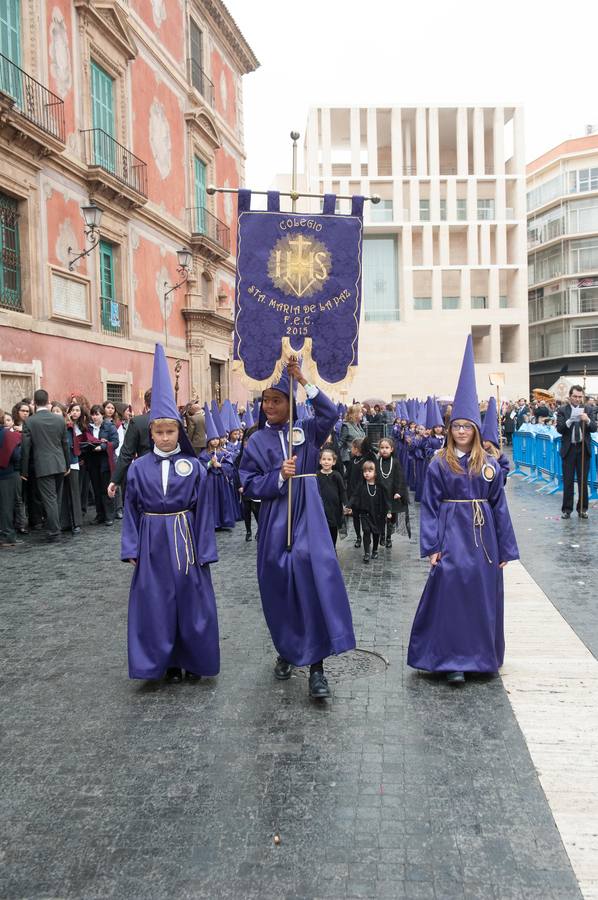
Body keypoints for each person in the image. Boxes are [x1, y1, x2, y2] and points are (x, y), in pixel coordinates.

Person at [239, 359, 356, 699]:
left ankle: (317, 667)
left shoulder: (307, 429)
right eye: (265, 401)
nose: (269, 406)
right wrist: (278, 476)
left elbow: (330, 414)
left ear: (291, 402)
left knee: (311, 578)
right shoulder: (257, 440)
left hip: (309, 517)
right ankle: (288, 648)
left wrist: (303, 380)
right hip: (276, 520)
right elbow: (247, 482)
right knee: (279, 584)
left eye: (276, 400)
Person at [407, 336, 519, 685]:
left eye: (467, 427)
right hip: (452, 535)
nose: (461, 432)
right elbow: (429, 505)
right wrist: (432, 545)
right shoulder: (439, 464)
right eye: (456, 426)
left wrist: (505, 549)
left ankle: (480, 659)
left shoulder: (489, 466)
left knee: (480, 596)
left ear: (475, 430)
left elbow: (499, 506)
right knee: (451, 592)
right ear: (450, 429)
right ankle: (450, 659)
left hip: (483, 540)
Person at [121, 344, 219, 682]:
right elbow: (131, 509)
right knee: (156, 604)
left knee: (190, 603)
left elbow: (204, 510)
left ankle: (192, 660)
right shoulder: (138, 469)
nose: (164, 438)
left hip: (185, 540)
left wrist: (205, 549)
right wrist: (131, 547)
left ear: (180, 431)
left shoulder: (194, 468)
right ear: (151, 433)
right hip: (151, 541)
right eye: (159, 432)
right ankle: (164, 662)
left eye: (170, 431)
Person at [20, 389, 71, 542]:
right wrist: (67, 465)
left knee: (49, 499)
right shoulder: (59, 420)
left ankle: (54, 532)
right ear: (48, 401)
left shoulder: (30, 421)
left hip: (43, 466)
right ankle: (55, 527)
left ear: (34, 403)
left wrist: (24, 471)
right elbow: (64, 444)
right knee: (56, 499)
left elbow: (25, 448)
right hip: (59, 464)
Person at [556, 384, 597, 519]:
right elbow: (560, 429)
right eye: (575, 396)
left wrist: (588, 420)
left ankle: (582, 509)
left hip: (583, 448)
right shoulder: (562, 409)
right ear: (570, 397)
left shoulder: (588, 409)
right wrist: (569, 421)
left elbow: (594, 428)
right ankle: (567, 510)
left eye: (580, 397)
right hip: (569, 449)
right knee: (568, 480)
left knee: (583, 481)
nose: (578, 399)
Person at [107, 390, 152, 501]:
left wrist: (115, 480)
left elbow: (127, 453)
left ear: (145, 404)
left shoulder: (137, 422)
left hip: (145, 472)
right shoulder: (174, 420)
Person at [348, 460, 391, 563]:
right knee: (366, 531)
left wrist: (388, 511)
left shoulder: (380, 487)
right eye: (365, 471)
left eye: (370, 471)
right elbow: (354, 496)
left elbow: (386, 499)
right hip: (364, 513)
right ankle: (367, 552)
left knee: (376, 532)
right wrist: (349, 505)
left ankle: (375, 549)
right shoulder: (361, 485)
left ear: (375, 473)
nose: (366, 473)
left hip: (378, 514)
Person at [83, 405, 119, 526]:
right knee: (96, 490)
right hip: (93, 462)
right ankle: (100, 515)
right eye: (93, 414)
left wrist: (103, 446)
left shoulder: (109, 426)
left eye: (97, 414)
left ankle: (109, 516)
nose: (95, 417)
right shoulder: (88, 428)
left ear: (102, 415)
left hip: (105, 462)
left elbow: (115, 443)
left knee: (106, 489)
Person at [375, 437, 409, 549]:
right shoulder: (377, 462)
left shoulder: (395, 462)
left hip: (392, 493)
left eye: (386, 448)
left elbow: (400, 478)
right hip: (380, 494)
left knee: (391, 517)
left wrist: (399, 491)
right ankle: (382, 535)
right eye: (382, 448)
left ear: (392, 449)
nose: (384, 450)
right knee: (380, 516)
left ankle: (389, 537)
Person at [317, 447, 348, 548]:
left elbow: (342, 491)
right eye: (324, 459)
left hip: (334, 508)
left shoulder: (337, 475)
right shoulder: (316, 475)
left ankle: (332, 548)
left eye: (329, 459)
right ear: (320, 461)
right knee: (322, 529)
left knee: (333, 529)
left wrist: (346, 504)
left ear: (334, 462)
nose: (326, 462)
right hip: (321, 508)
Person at [0, 409, 22, 548]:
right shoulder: (8, 435)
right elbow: (16, 456)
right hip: (7, 473)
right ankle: (8, 536)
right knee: (7, 507)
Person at [481, 396, 510, 485]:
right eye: (482, 441)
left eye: (486, 441)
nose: (484, 443)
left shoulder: (499, 455)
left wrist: (497, 475)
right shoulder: (478, 452)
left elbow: (505, 468)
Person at [338, 403, 365, 476]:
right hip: (349, 458)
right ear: (355, 414)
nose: (362, 414)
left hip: (359, 456)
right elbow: (340, 443)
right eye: (360, 412)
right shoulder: (346, 426)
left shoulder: (359, 425)